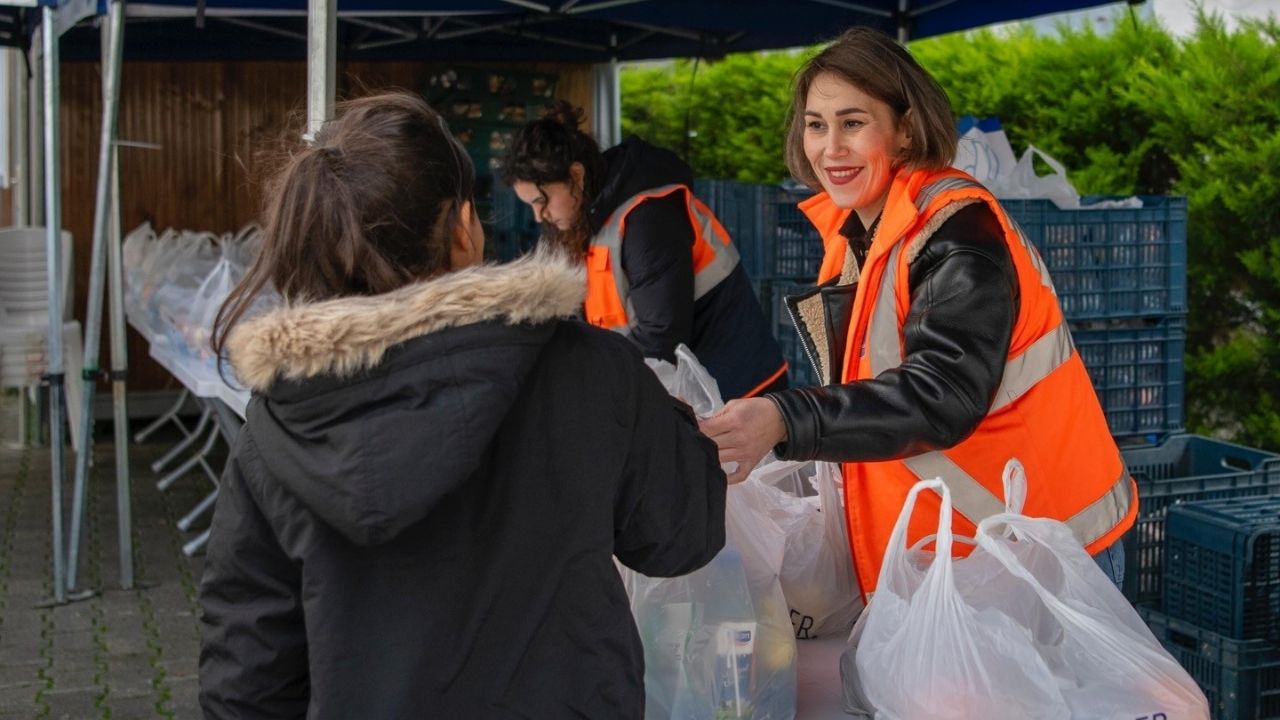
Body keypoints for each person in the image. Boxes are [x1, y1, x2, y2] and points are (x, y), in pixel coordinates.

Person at [198, 92, 727, 720]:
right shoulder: (589, 367)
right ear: (462, 228)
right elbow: (682, 535)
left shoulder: (279, 420)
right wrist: (666, 419)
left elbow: (246, 679)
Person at [700, 27, 1135, 597]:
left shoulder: (957, 233)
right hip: (967, 559)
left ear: (905, 129)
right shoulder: (859, 230)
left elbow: (941, 394)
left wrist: (787, 419)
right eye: (816, 125)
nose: (830, 147)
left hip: (1043, 562)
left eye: (853, 123)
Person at [502, 103, 789, 401]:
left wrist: (590, 377)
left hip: (738, 393)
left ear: (575, 175)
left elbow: (661, 334)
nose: (539, 216)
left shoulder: (647, 216)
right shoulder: (591, 216)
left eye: (542, 201)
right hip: (694, 392)